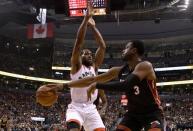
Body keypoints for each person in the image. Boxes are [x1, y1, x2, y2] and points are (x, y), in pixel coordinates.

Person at [48, 40, 165, 131]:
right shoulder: (119, 70)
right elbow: (91, 79)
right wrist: (63, 85)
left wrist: (97, 85)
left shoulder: (145, 66)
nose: (123, 50)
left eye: (126, 48)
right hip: (133, 114)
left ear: (134, 50)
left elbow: (125, 85)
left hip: (152, 113)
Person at [62, 3, 106, 131]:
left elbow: (102, 46)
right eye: (86, 53)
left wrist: (93, 27)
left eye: (91, 54)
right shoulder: (76, 66)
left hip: (91, 108)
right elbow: (78, 42)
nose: (90, 55)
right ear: (80, 57)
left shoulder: (94, 68)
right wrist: (86, 19)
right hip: (76, 107)